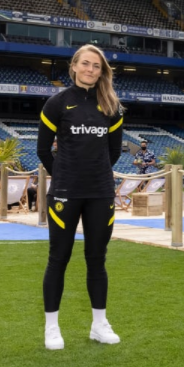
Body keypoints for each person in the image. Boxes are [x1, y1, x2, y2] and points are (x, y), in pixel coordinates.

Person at [37, 44, 124, 350]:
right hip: (65, 193)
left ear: (102, 72)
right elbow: (42, 150)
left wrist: (95, 174)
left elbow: (113, 152)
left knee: (97, 260)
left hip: (100, 193)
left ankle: (99, 325)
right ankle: (52, 328)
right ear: (73, 67)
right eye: (85, 64)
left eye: (96, 66)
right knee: (58, 259)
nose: (90, 70)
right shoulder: (57, 103)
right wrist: (63, 176)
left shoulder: (111, 106)